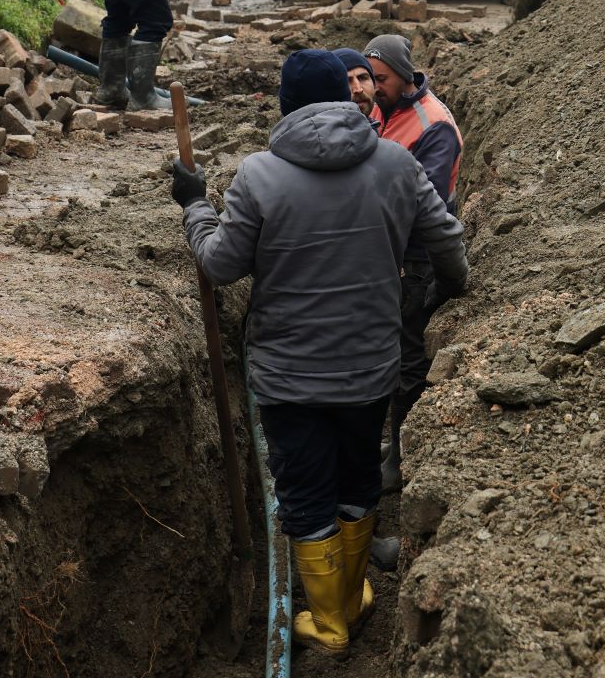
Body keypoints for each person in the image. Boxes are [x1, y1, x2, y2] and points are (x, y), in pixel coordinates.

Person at [170, 49, 467, 655]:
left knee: (304, 491)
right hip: (371, 366)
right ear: (345, 94)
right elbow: (446, 238)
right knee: (359, 476)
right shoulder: (395, 163)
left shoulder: (257, 174)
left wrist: (195, 206)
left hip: (290, 378)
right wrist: (455, 289)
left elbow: (221, 264)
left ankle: (329, 622)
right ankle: (351, 597)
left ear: (285, 106)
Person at [362, 33, 462, 495]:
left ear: (404, 74)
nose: (372, 88)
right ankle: (393, 442)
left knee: (408, 359)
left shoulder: (433, 125)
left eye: (379, 78)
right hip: (390, 248)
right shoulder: (387, 107)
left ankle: (400, 461)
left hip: (417, 256)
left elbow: (430, 205)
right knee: (389, 350)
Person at [332, 48, 379, 121]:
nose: (358, 89)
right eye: (347, 81)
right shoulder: (317, 131)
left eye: (363, 78)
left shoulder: (373, 129)